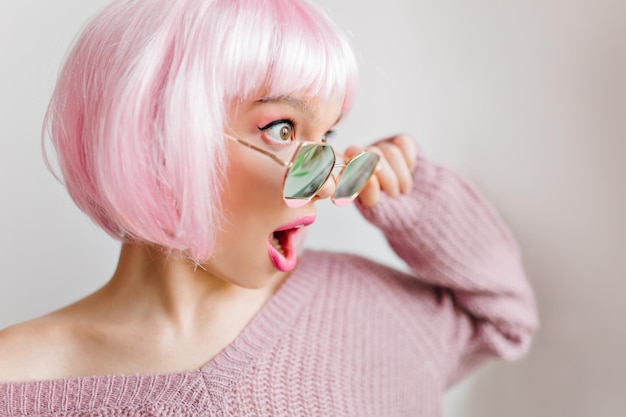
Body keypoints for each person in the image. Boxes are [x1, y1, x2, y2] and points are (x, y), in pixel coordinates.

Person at [0, 0, 538, 415]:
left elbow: (505, 319)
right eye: (283, 129)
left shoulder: (364, 308)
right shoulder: (16, 380)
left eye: (327, 136)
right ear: (160, 133)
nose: (327, 184)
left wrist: (420, 200)